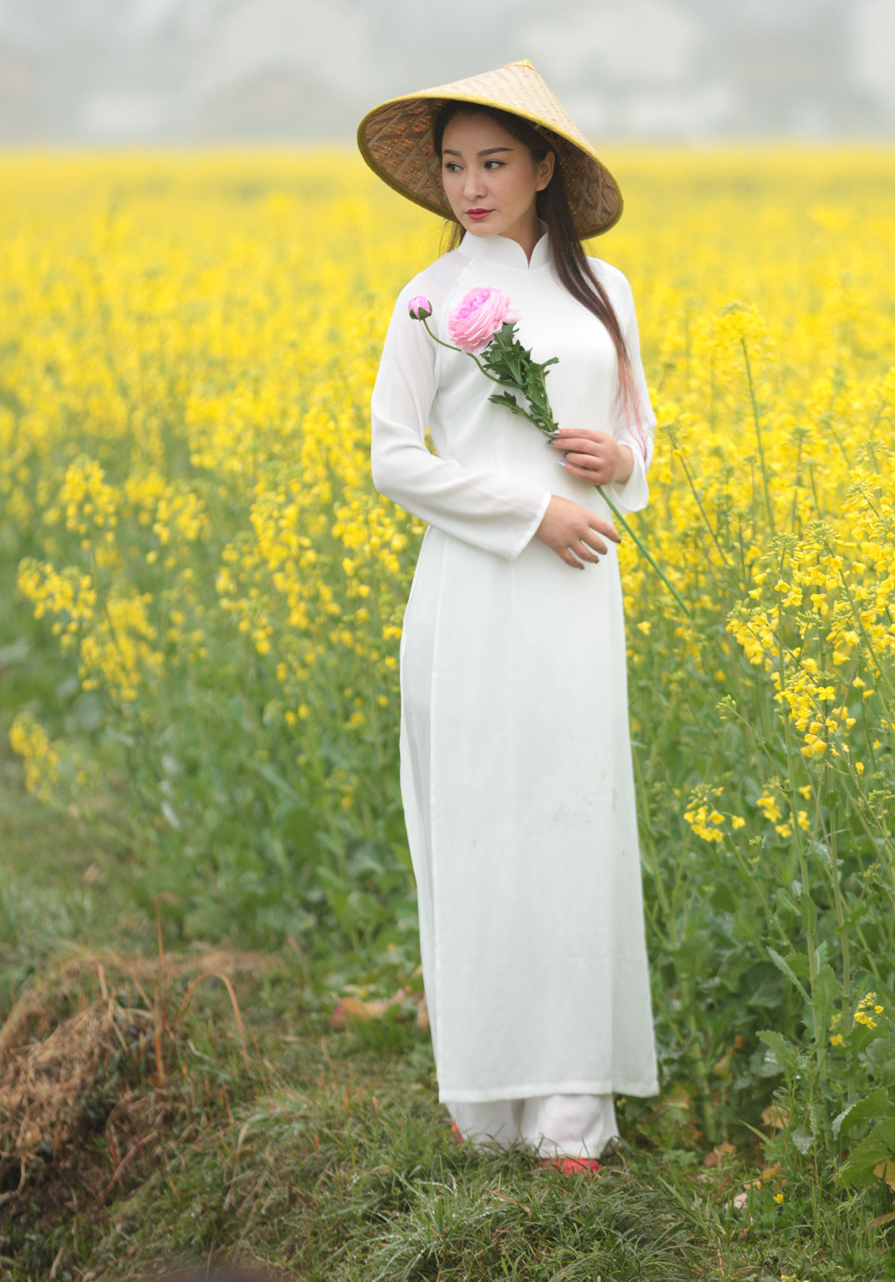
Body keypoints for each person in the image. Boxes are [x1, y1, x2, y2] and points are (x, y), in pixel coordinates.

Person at [359, 60, 658, 1171]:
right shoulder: (426, 300)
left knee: (574, 821)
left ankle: (572, 1111)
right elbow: (394, 459)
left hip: (580, 597)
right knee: (483, 822)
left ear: (544, 168)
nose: (471, 186)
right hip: (480, 588)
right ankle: (487, 1096)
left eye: (493, 162)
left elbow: (641, 434)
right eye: (452, 165)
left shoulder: (607, 292)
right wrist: (531, 511)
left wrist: (620, 462)